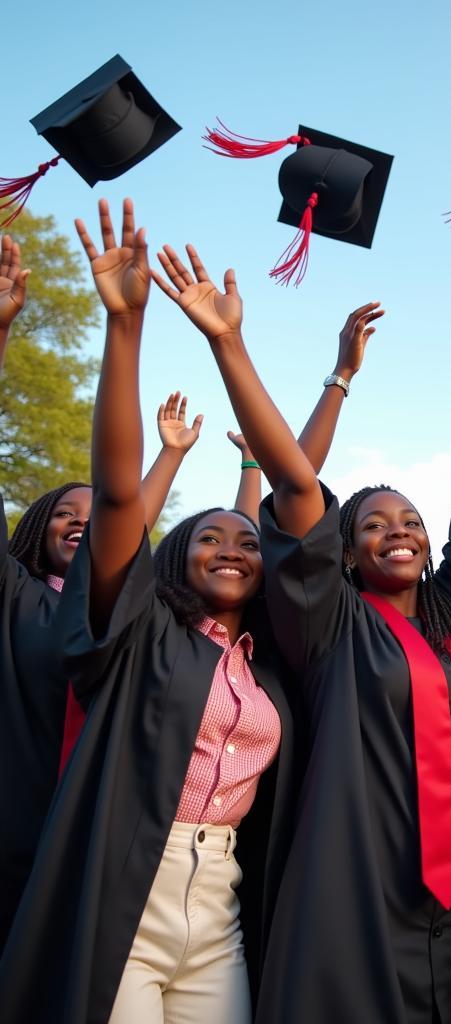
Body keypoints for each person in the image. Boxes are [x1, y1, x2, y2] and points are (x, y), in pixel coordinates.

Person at [150, 239, 451, 1023]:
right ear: (341, 551)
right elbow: (294, 482)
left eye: (410, 520)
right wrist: (230, 344)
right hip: (363, 882)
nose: (398, 532)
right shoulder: (328, 621)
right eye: (373, 525)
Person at [0, 199, 295, 1023]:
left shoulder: (266, 670)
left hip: (222, 894)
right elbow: (120, 500)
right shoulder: (143, 638)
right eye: (210, 538)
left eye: (247, 540)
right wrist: (124, 328)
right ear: (175, 558)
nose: (234, 546)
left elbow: (291, 496)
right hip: (133, 876)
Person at [0, 237, 202, 954]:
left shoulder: (132, 616)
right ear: (35, 527)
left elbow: (123, 520)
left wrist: (170, 457)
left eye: (93, 519)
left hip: (108, 842)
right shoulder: (17, 598)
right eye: (64, 513)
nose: (81, 523)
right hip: (16, 829)